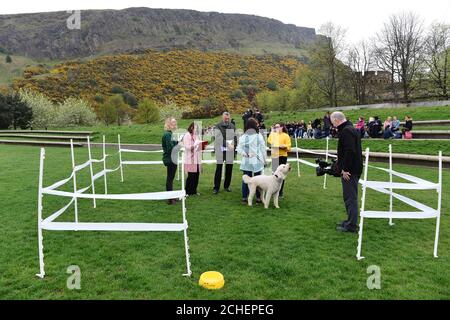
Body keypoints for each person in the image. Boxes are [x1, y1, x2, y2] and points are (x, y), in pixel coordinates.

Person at [330, 111, 363, 233]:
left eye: (333, 122)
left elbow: (350, 151)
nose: (333, 125)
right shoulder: (350, 129)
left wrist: (345, 169)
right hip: (354, 168)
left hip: (350, 170)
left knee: (350, 198)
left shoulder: (346, 131)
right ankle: (350, 221)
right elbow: (348, 150)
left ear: (337, 120)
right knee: (349, 197)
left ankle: (352, 225)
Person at [237, 118, 267, 204]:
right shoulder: (258, 136)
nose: (258, 125)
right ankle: (258, 197)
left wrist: (244, 154)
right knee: (258, 179)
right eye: (256, 124)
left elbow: (239, 149)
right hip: (256, 160)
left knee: (246, 179)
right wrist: (264, 160)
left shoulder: (243, 136)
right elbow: (263, 149)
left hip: (249, 160)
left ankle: (245, 197)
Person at [213, 111, 237, 194]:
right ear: (222, 117)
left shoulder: (232, 126)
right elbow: (218, 138)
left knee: (229, 169)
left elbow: (235, 138)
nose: (227, 119)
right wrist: (227, 145)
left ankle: (227, 186)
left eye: (228, 118)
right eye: (225, 118)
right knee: (218, 169)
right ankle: (216, 187)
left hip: (230, 150)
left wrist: (234, 146)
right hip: (220, 150)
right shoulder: (217, 126)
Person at [267, 122, 291, 198]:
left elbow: (289, 146)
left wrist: (283, 146)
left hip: (282, 156)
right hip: (275, 156)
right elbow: (269, 141)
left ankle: (280, 192)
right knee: (274, 174)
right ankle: (272, 190)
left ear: (282, 127)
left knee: (282, 175)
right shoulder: (273, 135)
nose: (276, 128)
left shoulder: (286, 136)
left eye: (277, 127)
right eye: (275, 127)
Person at [162, 117, 180, 205]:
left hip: (173, 158)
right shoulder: (167, 135)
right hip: (170, 159)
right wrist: (179, 145)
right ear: (168, 124)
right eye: (173, 123)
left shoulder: (172, 134)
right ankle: (170, 199)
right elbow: (170, 148)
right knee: (170, 179)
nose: (175, 125)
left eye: (175, 123)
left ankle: (171, 196)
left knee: (171, 178)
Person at [182, 122, 202, 196]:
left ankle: (194, 191)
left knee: (196, 175)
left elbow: (198, 145)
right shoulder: (187, 135)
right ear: (191, 128)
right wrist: (194, 145)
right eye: (195, 128)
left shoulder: (196, 136)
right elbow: (187, 147)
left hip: (197, 158)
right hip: (190, 159)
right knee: (191, 176)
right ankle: (187, 191)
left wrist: (201, 146)